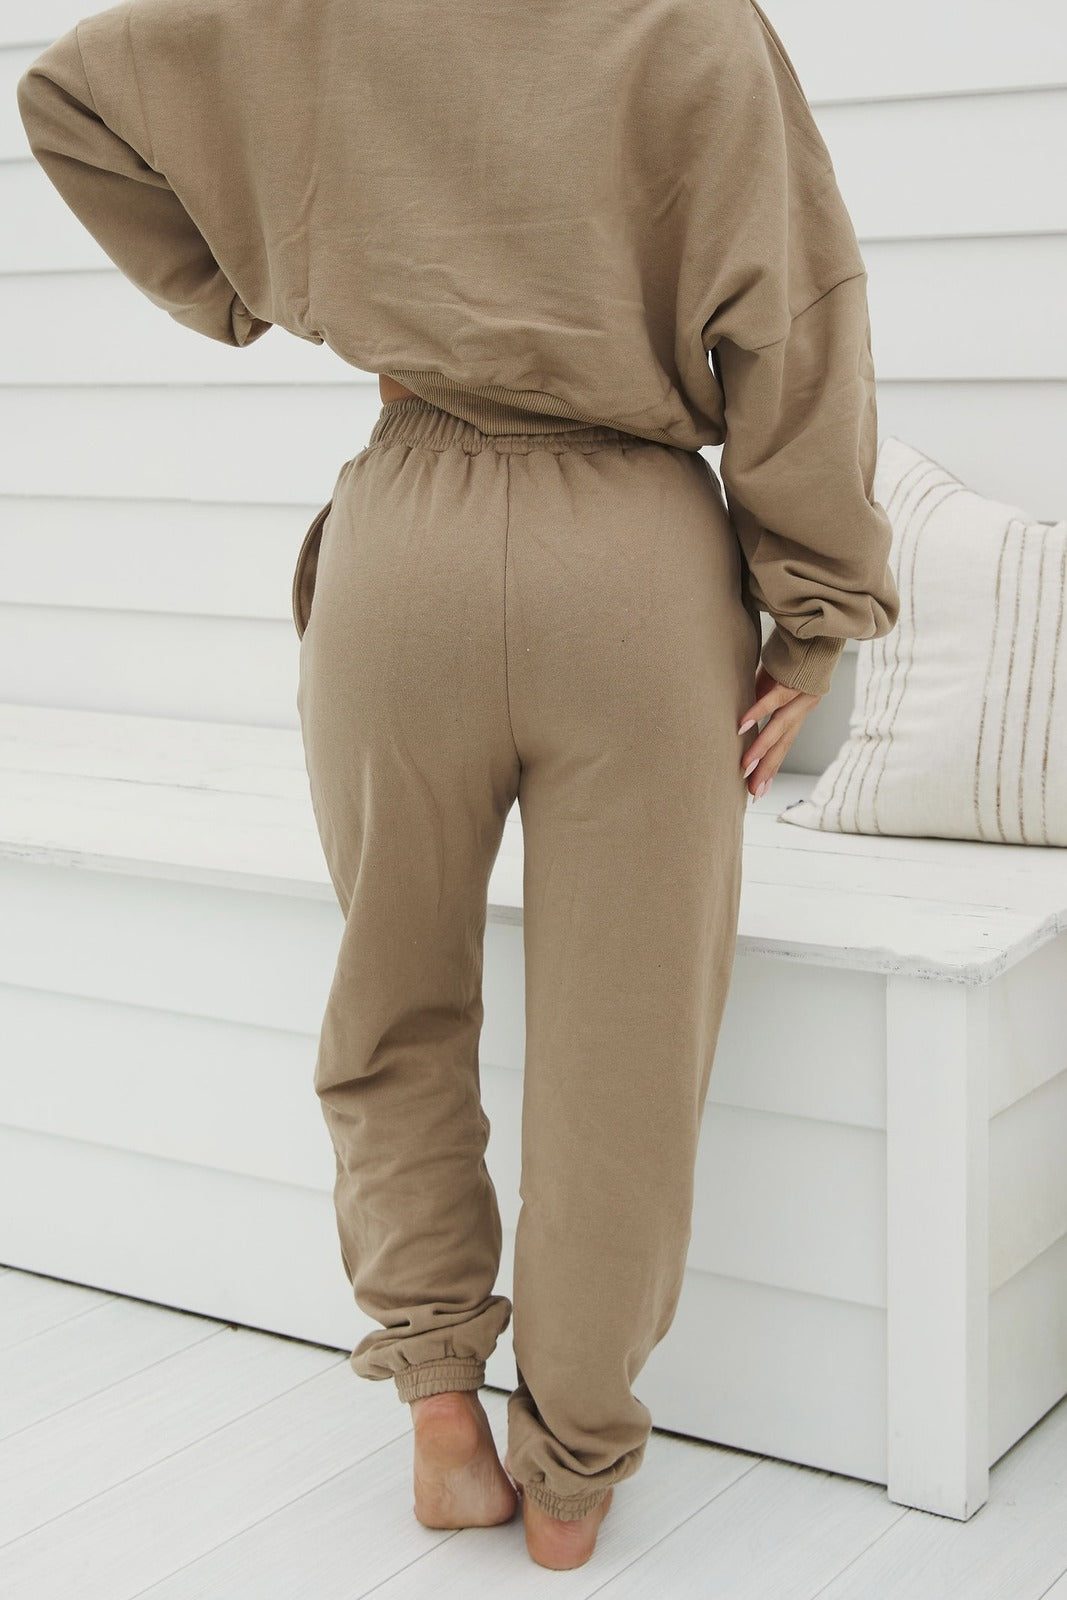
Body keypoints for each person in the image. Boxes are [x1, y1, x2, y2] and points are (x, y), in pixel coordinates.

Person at [17, 0, 900, 1570]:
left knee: (394, 997)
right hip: (634, 573)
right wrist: (815, 613)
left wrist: (244, 280)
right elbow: (796, 317)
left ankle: (441, 1415)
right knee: (625, 1045)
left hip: (400, 559)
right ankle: (571, 1474)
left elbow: (76, 95)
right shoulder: (698, 24)